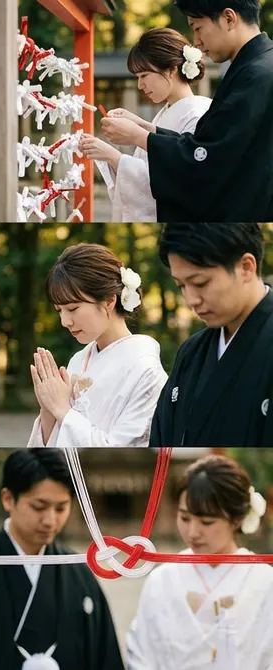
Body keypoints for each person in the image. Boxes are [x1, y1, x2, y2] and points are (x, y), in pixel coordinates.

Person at [98, 0, 273, 222]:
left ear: (229, 18)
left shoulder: (256, 75)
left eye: (198, 28)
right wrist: (147, 129)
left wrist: (137, 138)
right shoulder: (256, 67)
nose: (197, 42)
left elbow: (210, 159)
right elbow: (208, 146)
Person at [0, 449, 125, 670]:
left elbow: (105, 655)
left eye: (61, 508)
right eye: (39, 507)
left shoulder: (79, 571)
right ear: (8, 499)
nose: (50, 520)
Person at [126, 455, 273, 669]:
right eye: (185, 518)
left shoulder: (264, 581)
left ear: (237, 519)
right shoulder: (163, 579)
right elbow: (142, 654)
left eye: (207, 521)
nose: (193, 532)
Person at [27, 243, 168, 447]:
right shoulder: (78, 360)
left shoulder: (146, 371)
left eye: (72, 308)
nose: (64, 321)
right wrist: (48, 411)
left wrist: (62, 410)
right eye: (59, 310)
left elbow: (123, 449)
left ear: (109, 301)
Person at [149, 223, 273, 446]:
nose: (191, 300)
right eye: (181, 286)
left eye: (200, 283)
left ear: (246, 267)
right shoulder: (191, 351)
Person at [80, 28, 212, 221]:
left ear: (171, 69)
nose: (140, 85)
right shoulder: (165, 112)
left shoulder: (198, 114)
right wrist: (139, 125)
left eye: (144, 76)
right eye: (137, 78)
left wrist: (114, 157)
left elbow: (180, 182)